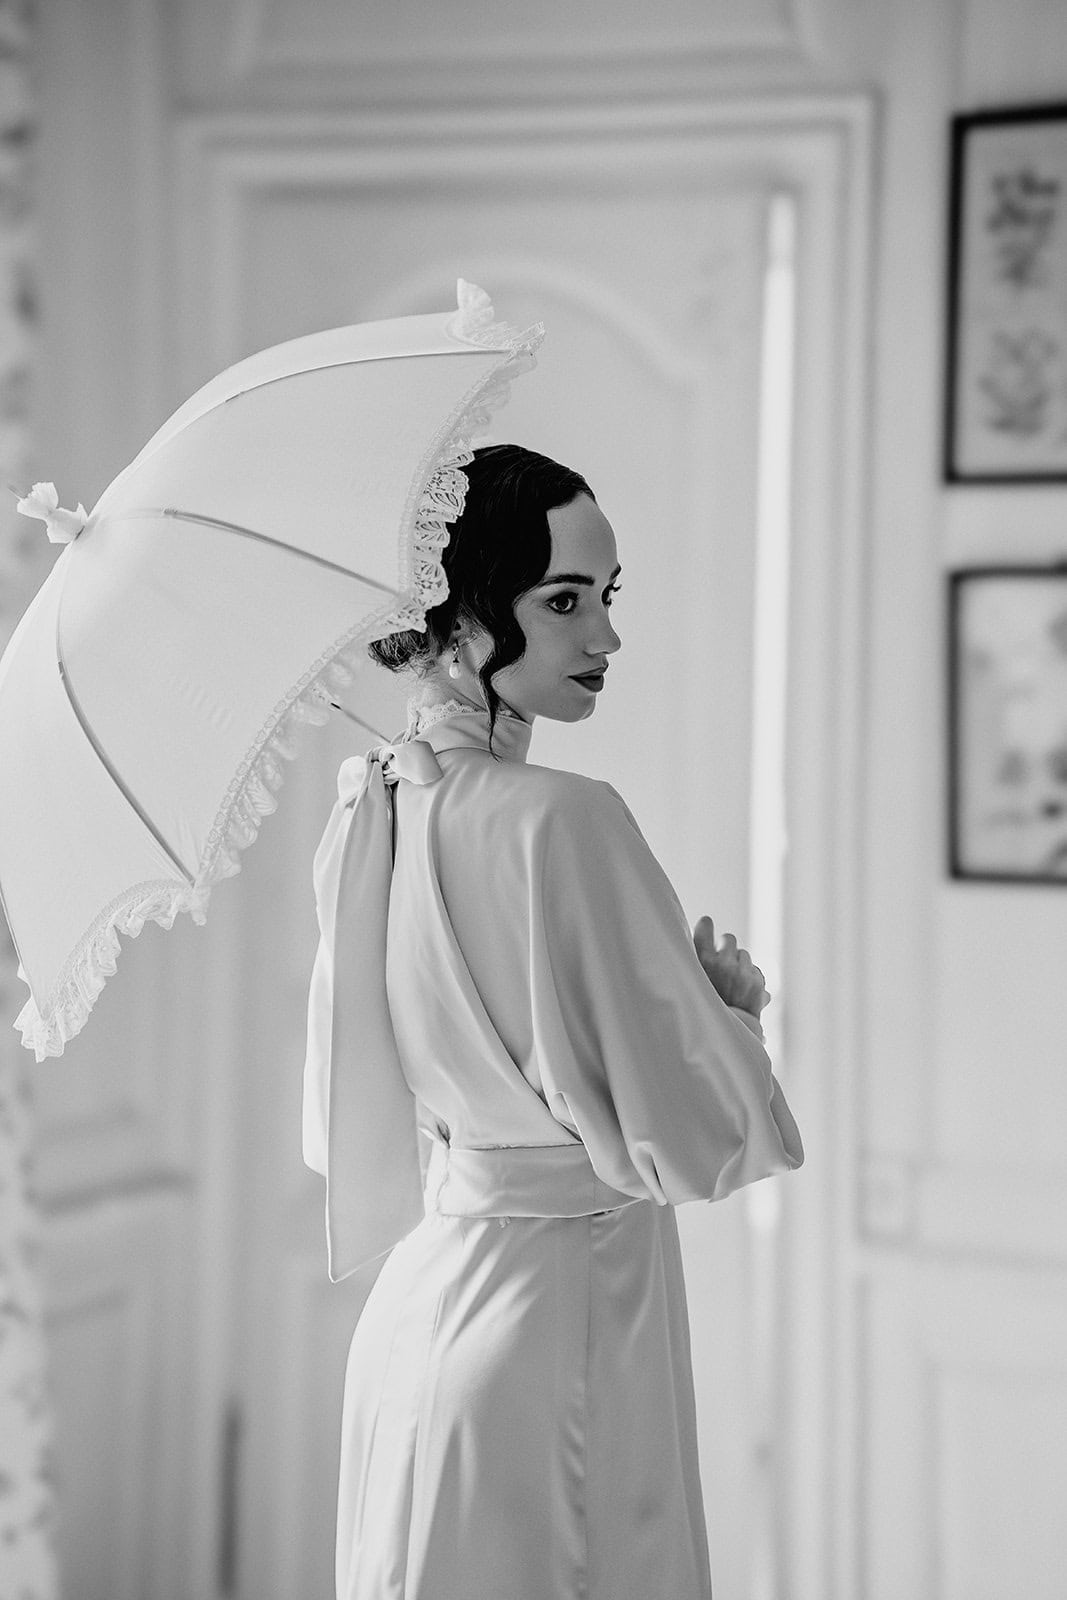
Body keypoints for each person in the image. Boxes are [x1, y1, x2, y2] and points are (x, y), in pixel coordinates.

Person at [303, 443, 803, 1600]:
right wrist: (728, 1019)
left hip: (418, 1318)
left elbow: (349, 1106)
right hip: (558, 1330)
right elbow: (701, 1137)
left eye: (604, 596)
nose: (605, 636)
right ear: (463, 613)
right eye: (563, 601)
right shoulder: (561, 820)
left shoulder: (366, 813)